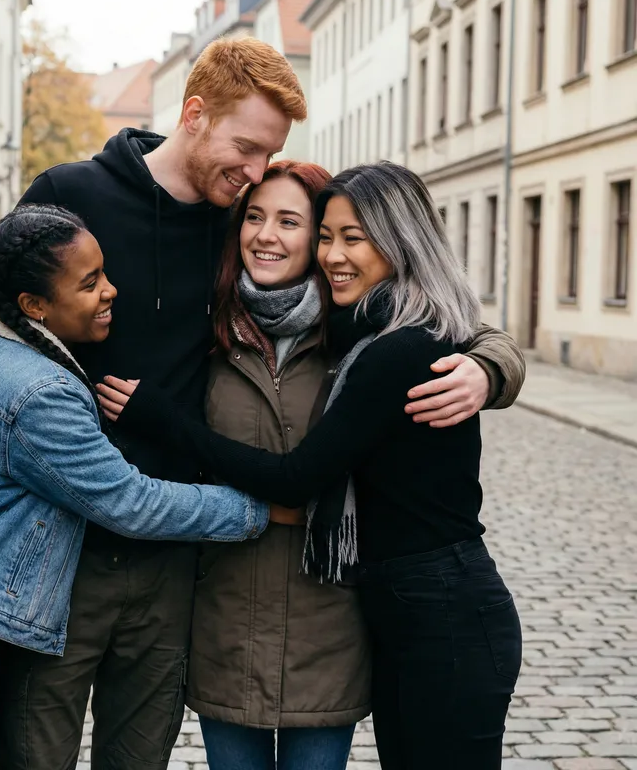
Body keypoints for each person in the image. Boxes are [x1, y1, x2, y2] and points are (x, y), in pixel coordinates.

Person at [0, 36, 515, 768]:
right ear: (194, 114)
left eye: (270, 160)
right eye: (248, 148)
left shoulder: (244, 220)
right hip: (65, 548)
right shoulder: (75, 193)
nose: (257, 177)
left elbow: (441, 315)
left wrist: (490, 367)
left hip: (174, 560)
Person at [101, 163, 524, 770]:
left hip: (442, 608)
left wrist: (493, 365)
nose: (333, 254)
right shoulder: (364, 329)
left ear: (400, 240)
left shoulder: (395, 346)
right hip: (397, 609)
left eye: (352, 237)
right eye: (328, 236)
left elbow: (298, 478)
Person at [0, 206, 276, 770]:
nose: (111, 290)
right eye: (89, 282)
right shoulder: (38, 391)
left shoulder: (2, 352)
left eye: (104, 273)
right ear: (34, 306)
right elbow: (129, 503)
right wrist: (256, 507)